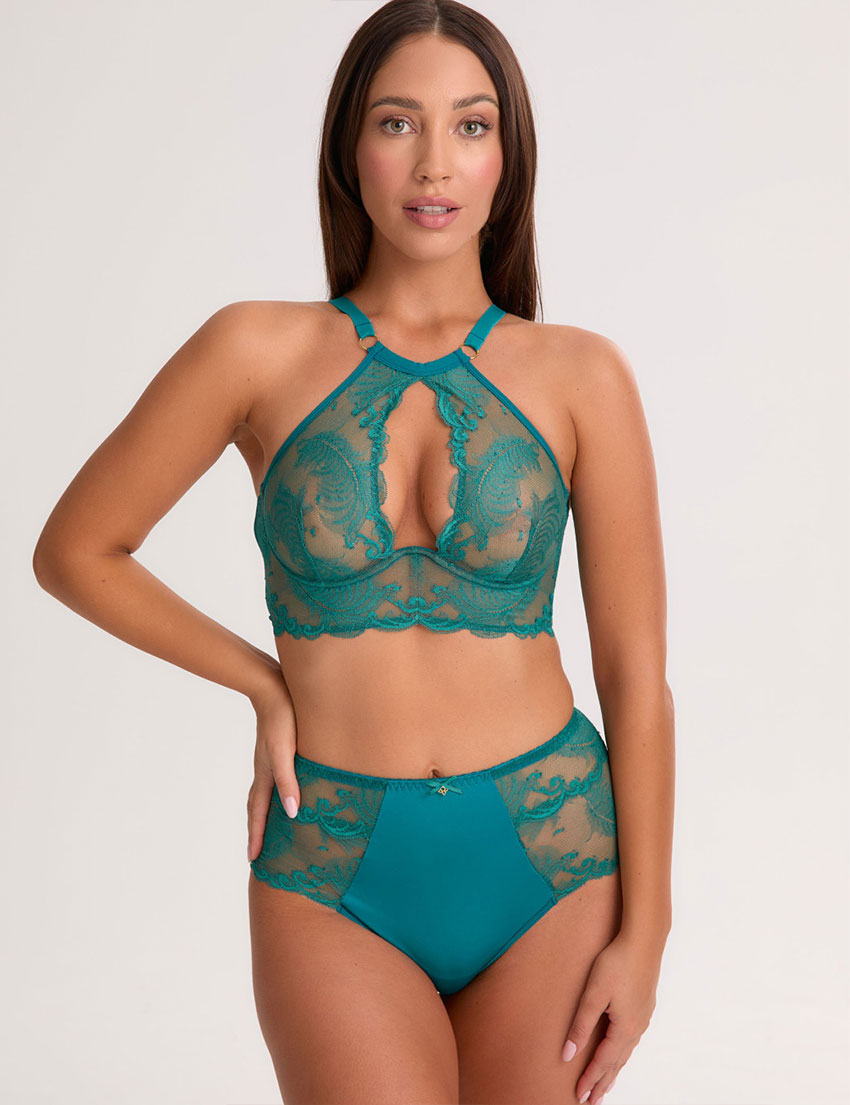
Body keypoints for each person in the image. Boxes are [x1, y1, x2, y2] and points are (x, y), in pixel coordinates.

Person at [32, 1, 675, 1102]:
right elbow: (78, 549)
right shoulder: (254, 349)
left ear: (509, 156)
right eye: (397, 121)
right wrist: (261, 682)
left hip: (554, 857)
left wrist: (646, 931)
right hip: (330, 867)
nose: (435, 163)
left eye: (471, 125)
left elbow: (635, 676)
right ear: (349, 147)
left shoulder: (583, 376)